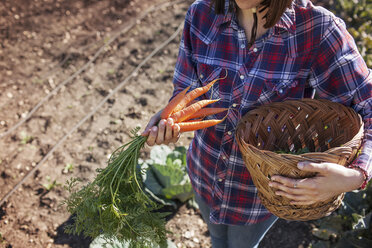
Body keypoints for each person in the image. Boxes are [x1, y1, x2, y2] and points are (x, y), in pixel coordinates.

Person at [142, 0, 372, 247]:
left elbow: (368, 107)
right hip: (204, 172)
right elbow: (185, 91)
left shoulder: (317, 30)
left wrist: (354, 177)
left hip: (259, 195)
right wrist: (169, 120)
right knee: (217, 239)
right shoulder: (201, 15)